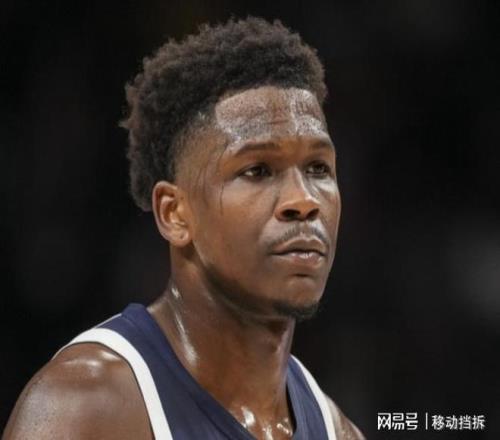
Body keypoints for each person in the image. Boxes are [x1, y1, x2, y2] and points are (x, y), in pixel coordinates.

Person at [3, 17, 364, 440]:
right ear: (174, 214)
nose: (303, 200)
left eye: (318, 168)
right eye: (257, 170)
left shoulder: (338, 430)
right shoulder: (84, 408)